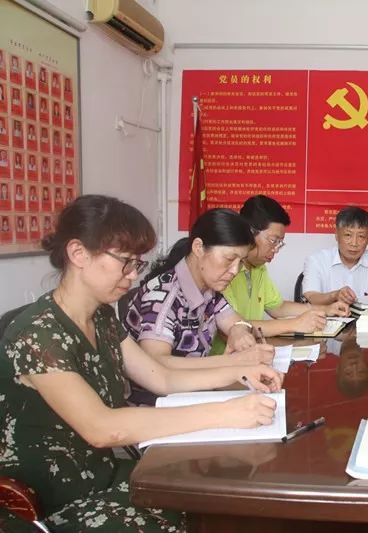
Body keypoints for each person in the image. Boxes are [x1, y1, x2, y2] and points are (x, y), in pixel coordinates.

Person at [0, 194, 282, 531]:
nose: (133, 276)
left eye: (138, 263)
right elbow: (102, 428)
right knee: (194, 513)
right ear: (78, 253)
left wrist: (241, 373)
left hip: (100, 472)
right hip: (50, 495)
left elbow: (160, 377)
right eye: (125, 262)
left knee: (207, 499)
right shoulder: (38, 332)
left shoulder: (102, 317)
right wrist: (226, 413)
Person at [125, 208, 274, 371]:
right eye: (229, 259)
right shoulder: (162, 296)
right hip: (164, 388)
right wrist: (233, 361)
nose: (234, 271)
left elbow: (237, 321)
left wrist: (239, 329)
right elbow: (156, 364)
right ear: (198, 247)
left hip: (194, 385)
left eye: (241, 262)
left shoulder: (210, 290)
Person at [210, 195, 349, 354]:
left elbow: (278, 307)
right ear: (249, 232)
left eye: (279, 243)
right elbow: (232, 329)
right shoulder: (225, 271)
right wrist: (295, 324)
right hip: (224, 359)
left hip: (251, 355)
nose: (276, 249)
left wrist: (326, 309)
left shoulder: (258, 268)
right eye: (273, 241)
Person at [302, 206, 368, 310]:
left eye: (361, 236)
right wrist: (335, 295)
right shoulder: (316, 260)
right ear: (336, 234)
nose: (354, 243)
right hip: (325, 321)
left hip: (367, 322)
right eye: (348, 235)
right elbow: (312, 297)